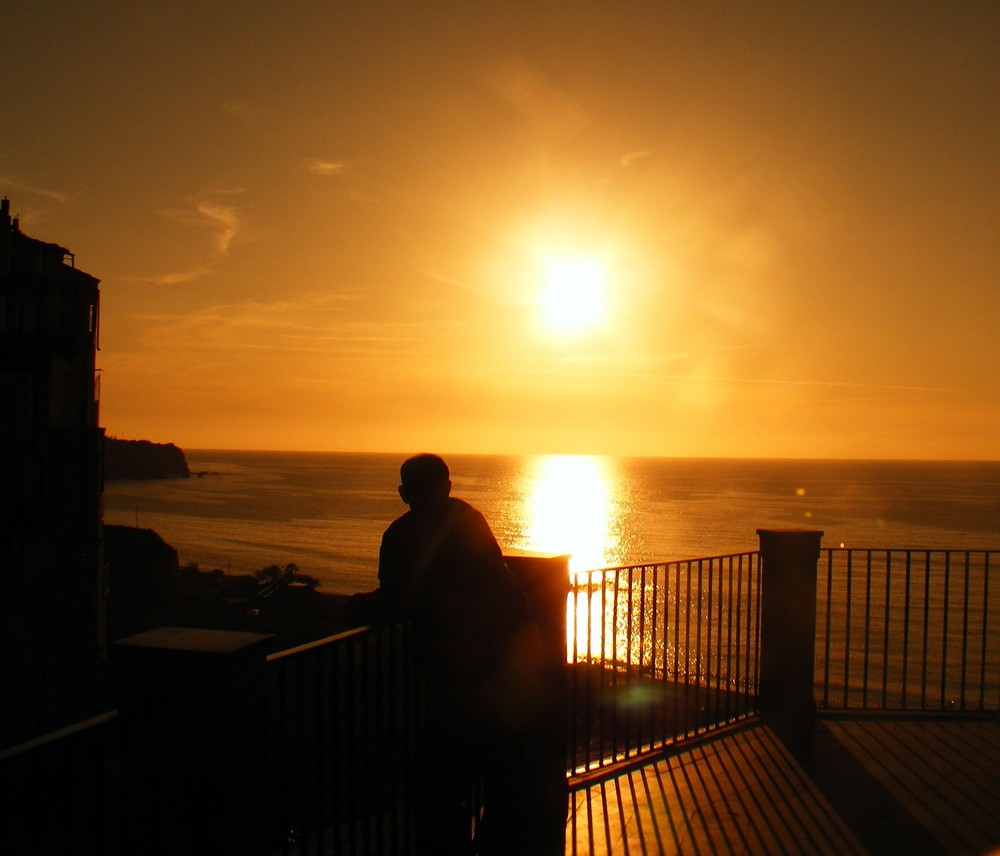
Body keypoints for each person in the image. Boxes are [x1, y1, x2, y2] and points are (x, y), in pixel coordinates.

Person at [376, 453, 545, 855]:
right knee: (500, 774)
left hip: (453, 677)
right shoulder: (469, 521)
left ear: (403, 493)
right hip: (501, 667)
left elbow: (398, 598)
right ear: (447, 487)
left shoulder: (402, 534)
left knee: (440, 784)